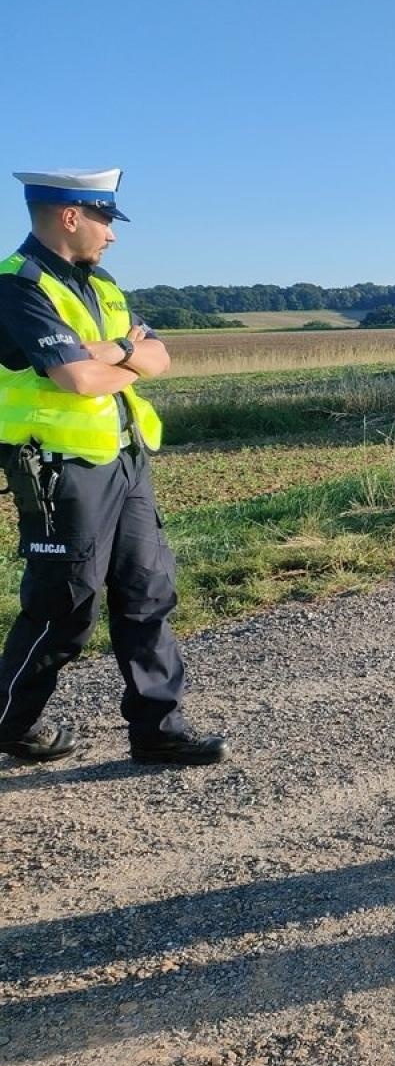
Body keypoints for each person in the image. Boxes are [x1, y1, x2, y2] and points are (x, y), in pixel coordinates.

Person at [0, 169, 227, 764]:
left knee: (148, 594)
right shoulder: (17, 286)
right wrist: (125, 358)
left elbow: (161, 355)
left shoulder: (101, 285)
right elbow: (76, 378)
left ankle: (158, 731)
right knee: (65, 610)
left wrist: (119, 350)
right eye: (105, 220)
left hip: (126, 459)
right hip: (62, 471)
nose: (113, 234)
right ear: (70, 216)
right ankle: (8, 723)